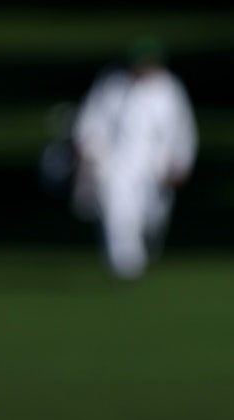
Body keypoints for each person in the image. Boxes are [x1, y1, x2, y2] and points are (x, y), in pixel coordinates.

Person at [71, 36, 199, 280]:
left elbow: (182, 130)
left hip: (156, 166)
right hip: (117, 163)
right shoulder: (112, 85)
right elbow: (93, 120)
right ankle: (126, 267)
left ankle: (141, 251)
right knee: (119, 212)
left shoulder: (170, 90)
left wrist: (181, 162)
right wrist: (88, 150)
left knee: (153, 217)